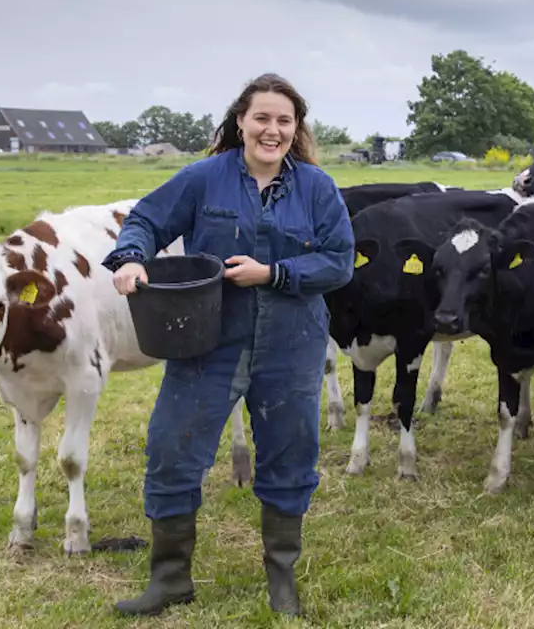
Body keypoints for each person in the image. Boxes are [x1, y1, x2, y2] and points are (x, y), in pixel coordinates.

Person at [103, 73, 355, 617]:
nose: (272, 130)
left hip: (292, 344)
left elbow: (338, 261)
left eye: (284, 121)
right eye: (262, 118)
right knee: (172, 449)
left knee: (291, 454)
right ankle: (169, 579)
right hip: (208, 340)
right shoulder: (203, 179)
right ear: (240, 120)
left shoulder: (317, 188)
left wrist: (275, 272)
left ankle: (281, 579)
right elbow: (145, 219)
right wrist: (129, 258)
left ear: (296, 128)